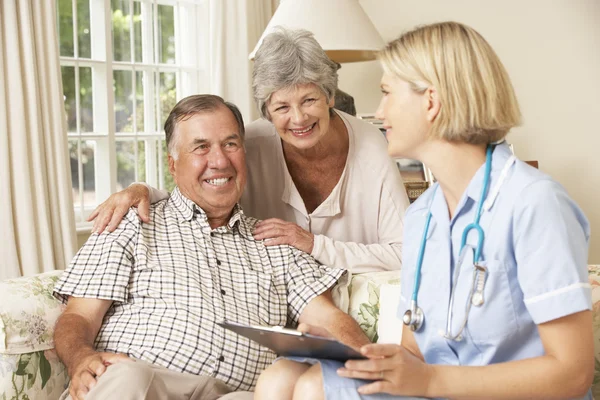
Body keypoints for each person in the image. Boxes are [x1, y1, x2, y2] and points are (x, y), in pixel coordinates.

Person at [254, 21, 594, 400]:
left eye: (386, 93)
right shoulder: (425, 216)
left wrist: (430, 381)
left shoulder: (534, 203)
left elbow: (573, 374)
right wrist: (344, 349)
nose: (379, 112)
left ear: (430, 101)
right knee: (281, 376)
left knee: (314, 389)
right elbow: (414, 353)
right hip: (438, 389)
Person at [52, 94, 371, 400]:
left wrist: (363, 362)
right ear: (173, 164)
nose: (219, 160)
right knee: (128, 377)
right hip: (141, 384)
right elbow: (78, 317)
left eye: (230, 144)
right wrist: (81, 358)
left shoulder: (276, 244)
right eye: (201, 147)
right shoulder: (130, 222)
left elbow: (331, 320)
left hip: (234, 394)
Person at [87, 28, 410, 275]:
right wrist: (140, 190)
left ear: (329, 96)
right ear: (266, 111)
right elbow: (197, 195)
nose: (298, 118)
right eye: (282, 106)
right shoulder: (249, 143)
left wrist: (315, 246)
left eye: (309, 100)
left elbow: (404, 254)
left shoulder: (372, 145)